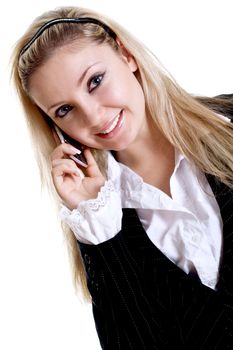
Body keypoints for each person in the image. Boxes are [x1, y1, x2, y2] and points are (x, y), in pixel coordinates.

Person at [11, 6, 233, 349]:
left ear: (126, 55)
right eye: (65, 110)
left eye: (95, 81)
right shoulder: (103, 219)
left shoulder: (228, 124)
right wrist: (103, 235)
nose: (94, 116)